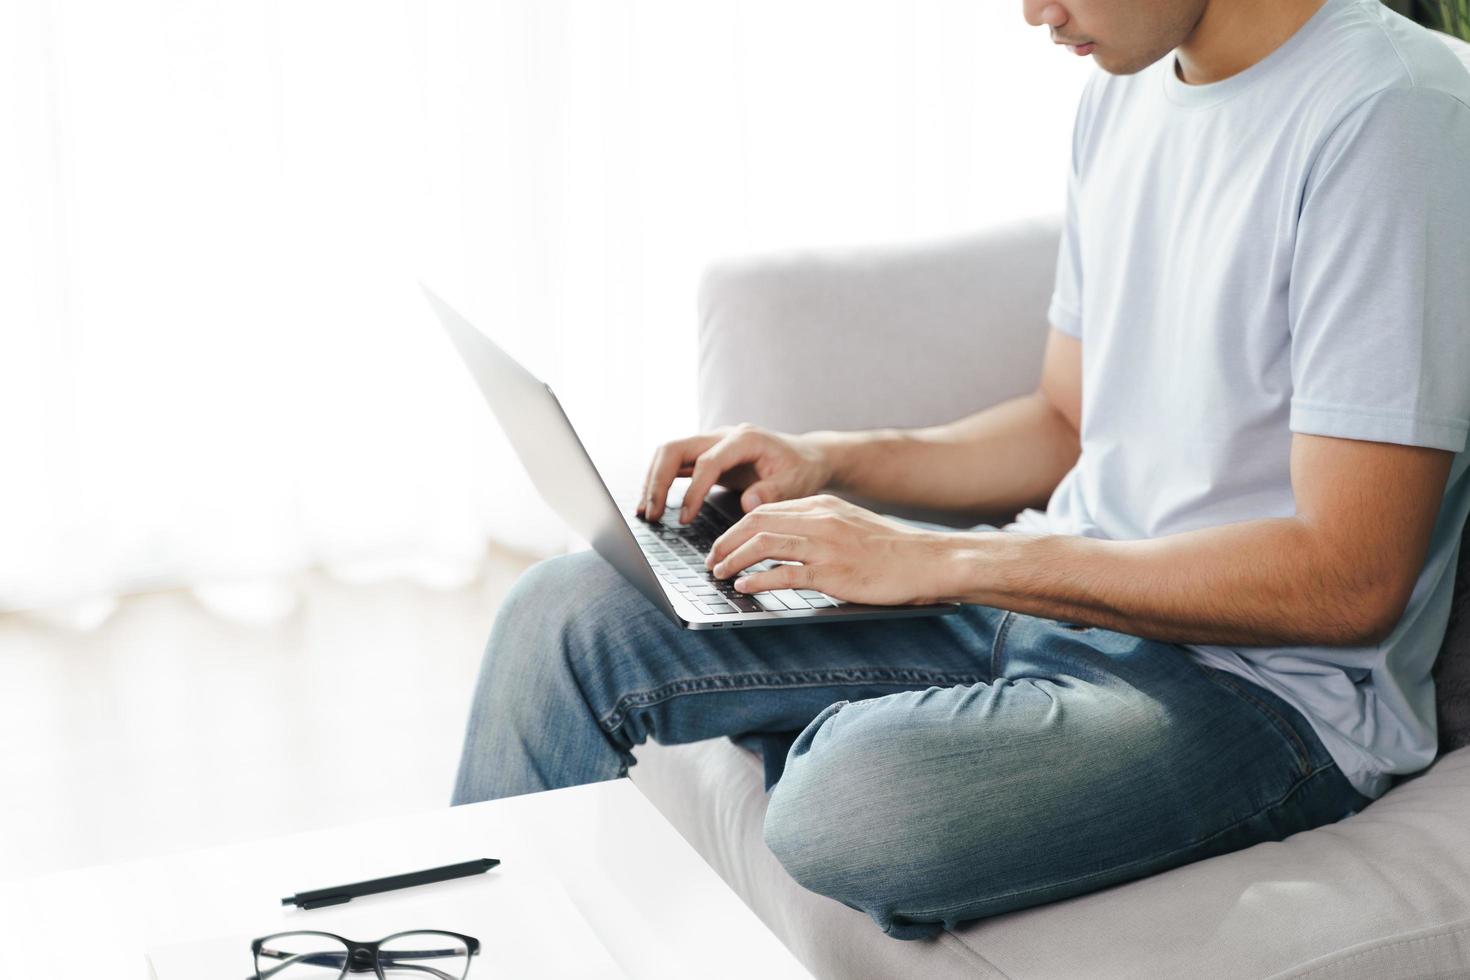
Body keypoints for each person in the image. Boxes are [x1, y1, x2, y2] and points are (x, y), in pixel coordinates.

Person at [453, 0, 1470, 940]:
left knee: (853, 803)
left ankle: (867, 720)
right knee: (566, 612)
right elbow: (1065, 422)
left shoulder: (1395, 116)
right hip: (1058, 603)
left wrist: (939, 563)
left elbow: (1350, 575)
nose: (1032, 11)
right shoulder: (1123, 92)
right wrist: (831, 459)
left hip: (1258, 696)